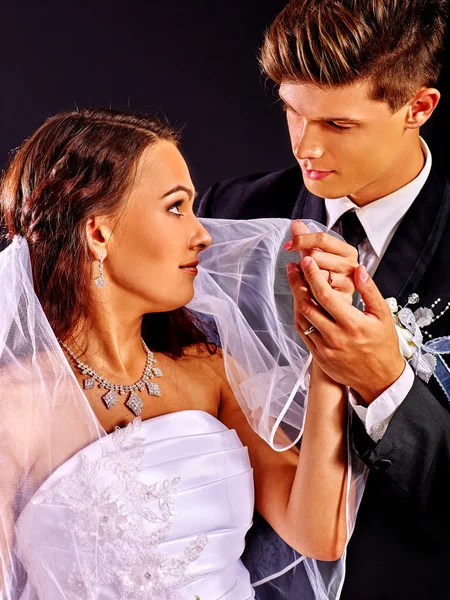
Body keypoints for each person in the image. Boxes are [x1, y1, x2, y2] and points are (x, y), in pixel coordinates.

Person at [0, 107, 358, 599]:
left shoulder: (208, 373)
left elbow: (322, 533)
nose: (203, 233)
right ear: (98, 233)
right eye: (176, 207)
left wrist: (329, 351)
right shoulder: (14, 409)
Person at [196, 0, 450, 598]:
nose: (305, 147)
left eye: (338, 125)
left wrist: (388, 381)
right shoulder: (226, 214)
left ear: (419, 107)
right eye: (292, 112)